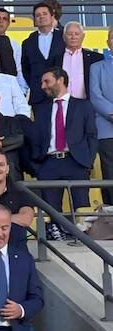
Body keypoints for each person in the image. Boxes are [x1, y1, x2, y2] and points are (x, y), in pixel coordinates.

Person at [32, 67, 97, 240]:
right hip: (50, 163)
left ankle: (84, 240)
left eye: (47, 81)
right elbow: (37, 137)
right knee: (51, 209)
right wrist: (38, 165)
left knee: (82, 206)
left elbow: (91, 135)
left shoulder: (83, 105)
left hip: (76, 162)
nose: (43, 86)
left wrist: (87, 161)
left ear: (60, 80)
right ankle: (56, 239)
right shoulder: (42, 109)